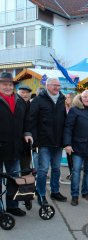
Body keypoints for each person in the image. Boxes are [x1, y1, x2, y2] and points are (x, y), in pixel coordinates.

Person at [29, 77, 67, 205]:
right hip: (43, 142)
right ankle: (41, 194)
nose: (57, 87)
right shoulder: (38, 100)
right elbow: (32, 121)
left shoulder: (63, 100)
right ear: (47, 86)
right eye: (54, 85)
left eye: (58, 85)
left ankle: (55, 192)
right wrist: (35, 140)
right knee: (43, 170)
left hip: (58, 142)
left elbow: (66, 121)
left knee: (56, 168)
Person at [0, 72, 32, 216]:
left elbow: (26, 121)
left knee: (14, 179)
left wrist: (27, 133)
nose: (8, 87)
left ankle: (12, 206)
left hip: (14, 148)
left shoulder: (20, 101)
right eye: (4, 84)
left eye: (10, 84)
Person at [63, 90, 88, 206]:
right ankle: (75, 195)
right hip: (77, 147)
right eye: (85, 97)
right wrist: (67, 144)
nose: (87, 99)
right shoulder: (74, 110)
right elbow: (68, 128)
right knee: (76, 171)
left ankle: (85, 192)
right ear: (80, 98)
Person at [65, 93, 74, 180]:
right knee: (68, 155)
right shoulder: (64, 108)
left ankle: (73, 173)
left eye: (68, 98)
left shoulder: (75, 109)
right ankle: (71, 171)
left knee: (73, 155)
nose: (67, 99)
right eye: (66, 98)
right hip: (66, 135)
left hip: (74, 136)